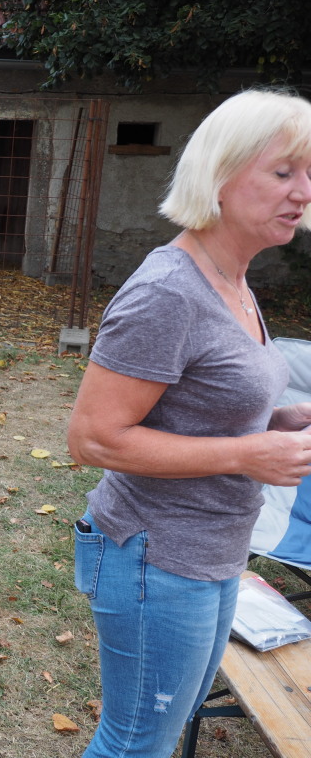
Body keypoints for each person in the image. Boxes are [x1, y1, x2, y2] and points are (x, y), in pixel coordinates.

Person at [66, 88, 311, 757]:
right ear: (220, 176)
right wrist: (248, 454)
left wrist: (282, 419)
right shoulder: (168, 292)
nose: (303, 191)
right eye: (283, 171)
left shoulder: (234, 279)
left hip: (215, 552)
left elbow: (206, 405)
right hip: (156, 556)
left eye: (308, 173)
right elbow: (92, 438)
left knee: (160, 732)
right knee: (134, 744)